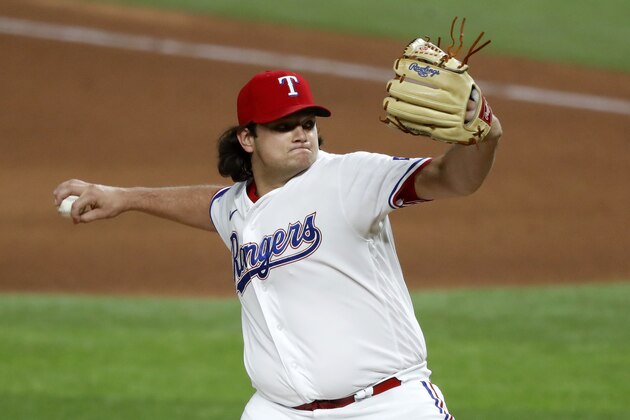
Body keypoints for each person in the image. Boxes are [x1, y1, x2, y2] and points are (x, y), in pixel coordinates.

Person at [54, 69, 502, 419]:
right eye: (284, 125)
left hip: (386, 406)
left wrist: (485, 134)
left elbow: (451, 178)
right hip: (279, 412)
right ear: (247, 138)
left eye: (307, 122)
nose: (301, 133)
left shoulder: (349, 178)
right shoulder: (237, 207)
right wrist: (125, 197)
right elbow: (209, 204)